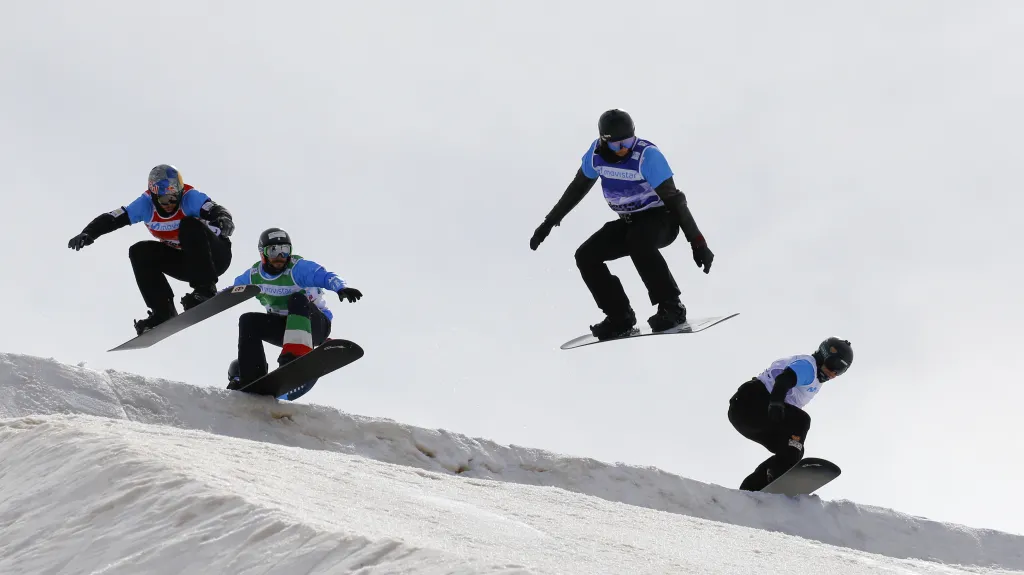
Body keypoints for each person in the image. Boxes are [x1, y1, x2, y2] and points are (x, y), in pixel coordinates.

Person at [529, 109, 715, 339]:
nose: (624, 148)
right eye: (617, 145)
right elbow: (577, 188)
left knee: (638, 240)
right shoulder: (595, 156)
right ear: (603, 141)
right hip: (629, 223)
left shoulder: (647, 156)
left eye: (628, 141)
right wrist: (548, 223)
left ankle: (672, 307)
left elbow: (676, 202)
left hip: (662, 220)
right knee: (586, 255)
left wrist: (698, 243)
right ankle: (620, 317)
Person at [67, 164, 235, 335]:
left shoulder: (190, 198)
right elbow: (113, 218)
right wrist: (89, 233)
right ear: (154, 196)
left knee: (189, 224)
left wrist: (224, 219)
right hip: (188, 263)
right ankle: (163, 311)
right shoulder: (145, 204)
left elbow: (216, 209)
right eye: (164, 199)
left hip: (215, 257)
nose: (170, 204)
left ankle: (205, 288)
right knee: (138, 251)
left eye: (174, 197)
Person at [226, 227, 362, 396]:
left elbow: (327, 276)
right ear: (263, 254)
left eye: (285, 250)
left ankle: (294, 358)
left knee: (297, 299)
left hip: (314, 325)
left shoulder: (298, 269)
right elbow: (230, 292)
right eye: (274, 251)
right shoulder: (254, 276)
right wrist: (205, 301)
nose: (281, 257)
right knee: (248, 320)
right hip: (284, 329)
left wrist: (341, 287)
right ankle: (252, 378)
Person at [728, 337, 854, 491]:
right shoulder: (808, 366)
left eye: (839, 371)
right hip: (750, 403)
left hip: (747, 413)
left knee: (792, 451)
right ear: (823, 355)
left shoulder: (815, 379)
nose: (833, 373)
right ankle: (777, 472)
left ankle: (755, 485)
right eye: (833, 365)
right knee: (801, 421)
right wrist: (776, 403)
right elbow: (784, 379)